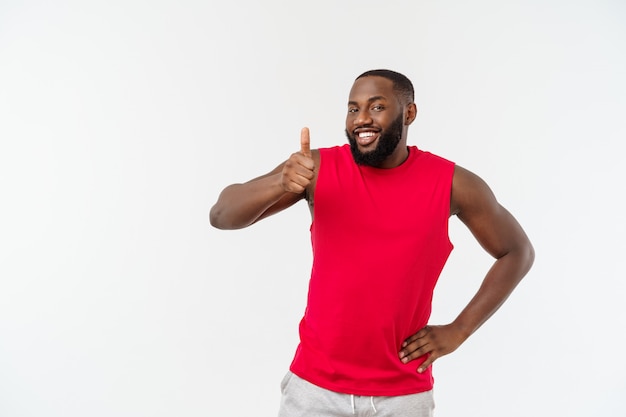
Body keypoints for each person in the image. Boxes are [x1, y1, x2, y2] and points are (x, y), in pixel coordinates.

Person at [210, 69, 534, 416]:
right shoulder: (316, 168)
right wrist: (280, 183)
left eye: (376, 107)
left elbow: (517, 252)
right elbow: (222, 214)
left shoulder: (454, 184)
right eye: (353, 109)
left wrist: (459, 330)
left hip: (402, 394)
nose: (361, 119)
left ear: (408, 113)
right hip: (314, 390)